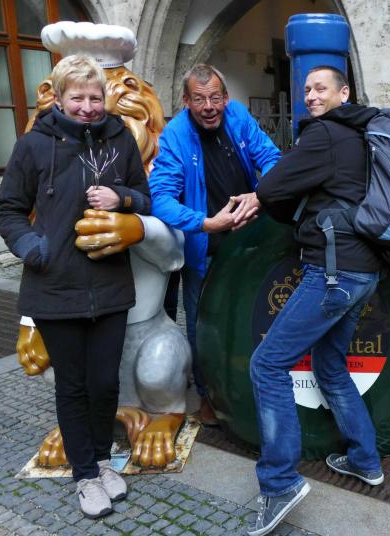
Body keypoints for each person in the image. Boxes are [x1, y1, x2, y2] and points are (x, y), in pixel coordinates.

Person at [0, 54, 150, 519]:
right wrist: (34, 248)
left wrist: (122, 197)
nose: (87, 107)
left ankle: (102, 461)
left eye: (95, 97)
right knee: (73, 385)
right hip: (54, 288)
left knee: (104, 383)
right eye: (77, 97)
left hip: (110, 285)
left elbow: (145, 198)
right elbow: (8, 210)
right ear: (60, 98)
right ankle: (84, 476)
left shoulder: (120, 138)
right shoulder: (33, 146)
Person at [248, 65, 383, 536]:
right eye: (306, 89)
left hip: (333, 272)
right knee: (329, 365)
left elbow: (270, 188)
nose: (310, 95)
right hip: (364, 270)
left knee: (267, 365)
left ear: (344, 92)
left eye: (320, 88)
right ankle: (366, 460)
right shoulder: (361, 136)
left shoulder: (324, 134)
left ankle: (279, 483)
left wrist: (288, 208)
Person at [148, 64, 280, 424]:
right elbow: (160, 198)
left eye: (215, 98)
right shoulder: (175, 135)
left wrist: (260, 194)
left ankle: (247, 386)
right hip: (204, 249)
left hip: (249, 243)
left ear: (226, 97)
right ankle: (209, 395)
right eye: (199, 99)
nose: (209, 107)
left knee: (251, 314)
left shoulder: (238, 116)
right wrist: (205, 223)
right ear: (186, 101)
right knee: (204, 325)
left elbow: (272, 158)